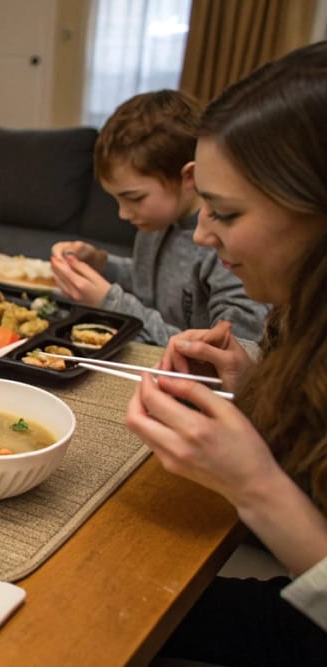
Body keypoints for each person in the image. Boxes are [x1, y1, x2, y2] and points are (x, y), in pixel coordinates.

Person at [126, 42, 327, 665]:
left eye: (228, 213)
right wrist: (254, 385)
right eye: (203, 205)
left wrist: (256, 485)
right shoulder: (304, 321)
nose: (204, 235)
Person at [50, 90, 269, 345]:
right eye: (116, 199)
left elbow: (231, 352)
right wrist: (101, 264)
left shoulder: (225, 248)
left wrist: (111, 302)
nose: (123, 213)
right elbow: (147, 279)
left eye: (134, 198)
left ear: (189, 177)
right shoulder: (156, 224)